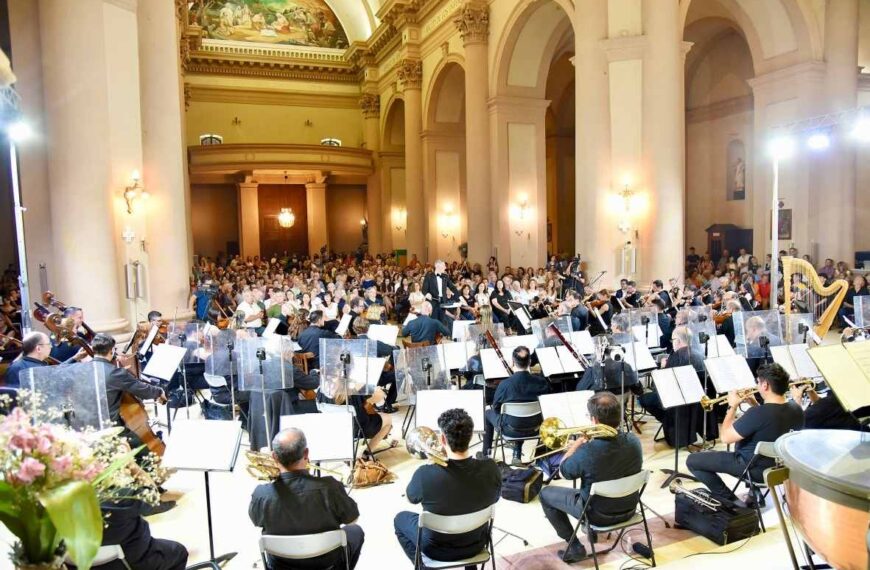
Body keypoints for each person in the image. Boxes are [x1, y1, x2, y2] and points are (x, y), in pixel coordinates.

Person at [539, 392, 643, 563]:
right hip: (630, 509)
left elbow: (564, 471)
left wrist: (576, 446)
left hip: (596, 514)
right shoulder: (634, 440)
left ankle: (574, 546)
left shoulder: (588, 451)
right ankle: (590, 532)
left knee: (545, 494)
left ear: (594, 420)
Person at [394, 408, 501, 564]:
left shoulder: (425, 474)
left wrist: (430, 468)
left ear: (443, 439)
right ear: (470, 437)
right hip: (477, 544)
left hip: (437, 550)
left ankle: (424, 568)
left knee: (400, 519)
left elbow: (411, 498)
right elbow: (495, 497)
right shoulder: (491, 468)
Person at [686, 363, 803, 503]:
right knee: (751, 442)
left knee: (692, 460)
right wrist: (755, 404)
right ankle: (754, 494)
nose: (757, 386)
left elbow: (725, 437)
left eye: (758, 382)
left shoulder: (757, 414)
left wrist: (732, 406)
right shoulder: (797, 409)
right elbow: (770, 422)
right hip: (782, 469)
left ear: (765, 385)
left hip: (753, 469)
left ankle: (731, 502)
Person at [249, 428, 364, 569]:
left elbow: (256, 521)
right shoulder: (330, 487)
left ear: (274, 456)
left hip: (282, 566)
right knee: (356, 531)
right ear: (306, 453)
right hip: (328, 564)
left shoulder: (261, 494)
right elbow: (352, 520)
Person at [479, 346, 551, 464]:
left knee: (488, 412)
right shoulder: (541, 382)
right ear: (530, 362)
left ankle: (485, 454)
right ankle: (516, 453)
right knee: (522, 416)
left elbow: (496, 408)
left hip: (510, 430)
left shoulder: (505, 384)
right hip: (537, 428)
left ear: (512, 362)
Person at [91, 334, 167, 441]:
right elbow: (142, 389)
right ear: (112, 350)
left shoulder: (83, 369)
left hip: (88, 426)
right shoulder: (114, 373)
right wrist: (159, 392)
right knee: (145, 450)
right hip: (110, 426)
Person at [99, 495, 188, 570]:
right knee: (179, 552)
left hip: (91, 565)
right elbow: (153, 501)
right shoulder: (116, 498)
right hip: (139, 561)